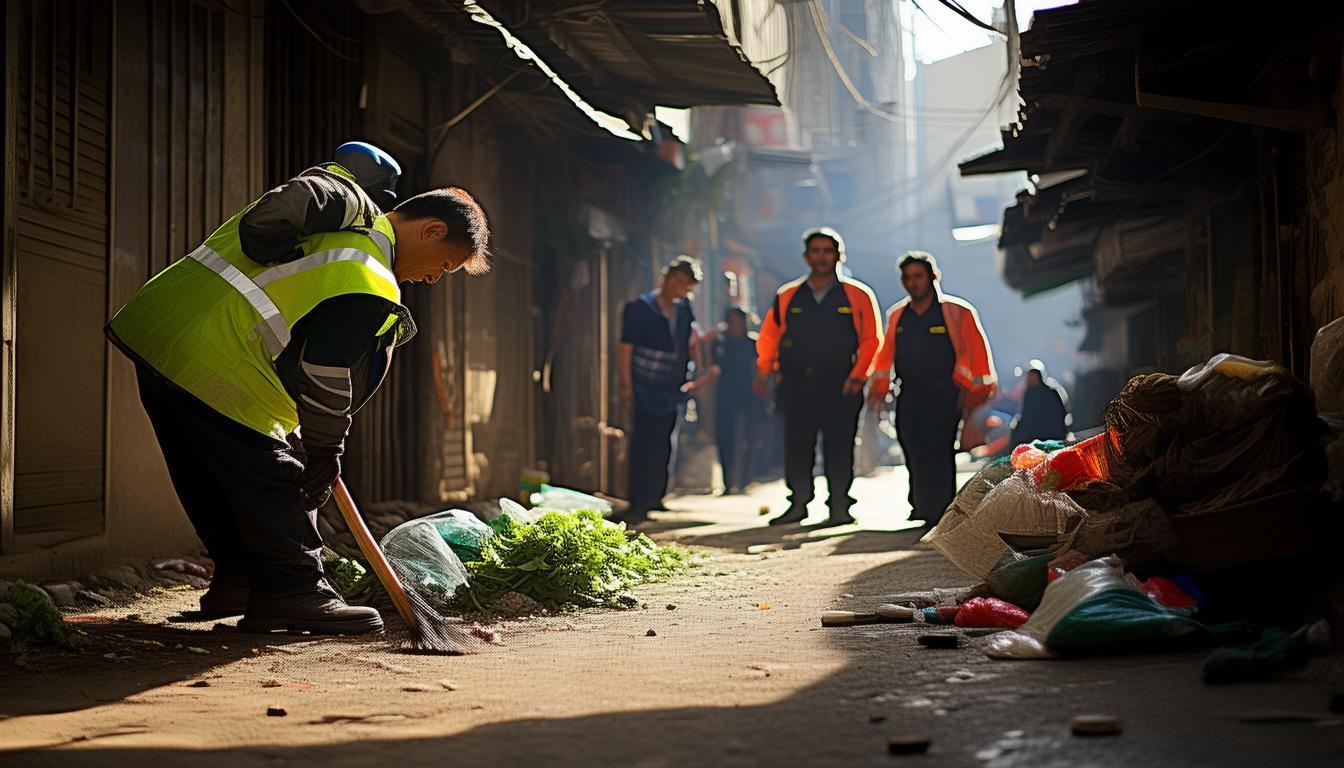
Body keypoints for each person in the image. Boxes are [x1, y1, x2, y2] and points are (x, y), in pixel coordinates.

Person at [106, 159, 491, 635]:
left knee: (215, 476)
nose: (433, 279)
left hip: (159, 335)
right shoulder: (367, 270)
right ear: (432, 231)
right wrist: (327, 449)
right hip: (218, 360)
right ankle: (294, 591)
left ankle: (243, 581)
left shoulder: (340, 230)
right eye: (445, 266)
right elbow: (324, 371)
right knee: (281, 482)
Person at [755, 228, 881, 527]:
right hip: (796, 385)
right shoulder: (787, 295)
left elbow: (872, 340)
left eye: (827, 251)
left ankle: (839, 506)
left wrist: (858, 376)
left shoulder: (858, 294)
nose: (822, 257)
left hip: (842, 385)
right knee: (797, 446)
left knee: (839, 447)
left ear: (839, 255)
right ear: (806, 257)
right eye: (816, 251)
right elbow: (769, 337)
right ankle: (798, 504)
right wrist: (764, 372)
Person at [867, 251, 995, 527]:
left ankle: (941, 510)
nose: (912, 283)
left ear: (933, 277)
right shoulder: (897, 315)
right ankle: (921, 504)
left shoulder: (958, 312)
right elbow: (885, 354)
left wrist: (975, 395)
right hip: (908, 394)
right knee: (910, 445)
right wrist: (878, 384)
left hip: (945, 394)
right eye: (907, 278)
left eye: (918, 276)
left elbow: (977, 354)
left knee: (938, 450)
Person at [617, 256, 707, 524]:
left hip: (672, 387)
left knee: (665, 444)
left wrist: (699, 368)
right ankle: (638, 501)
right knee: (643, 443)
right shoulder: (639, 308)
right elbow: (626, 349)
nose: (679, 287)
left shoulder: (684, 310)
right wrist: (626, 386)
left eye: (686, 285)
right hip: (644, 385)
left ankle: (656, 497)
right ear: (666, 277)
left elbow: (690, 341)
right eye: (677, 280)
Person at [711, 306, 759, 494]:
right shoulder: (721, 342)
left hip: (749, 395)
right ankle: (728, 482)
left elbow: (759, 368)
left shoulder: (752, 343)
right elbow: (713, 366)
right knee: (725, 437)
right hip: (725, 395)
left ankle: (746, 480)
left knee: (749, 438)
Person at [1010, 359, 1069, 446]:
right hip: (1032, 435)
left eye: (1033, 376)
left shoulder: (1051, 392)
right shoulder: (1029, 394)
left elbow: (1060, 413)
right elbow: (1026, 416)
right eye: (1029, 376)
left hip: (1052, 434)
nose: (1031, 378)